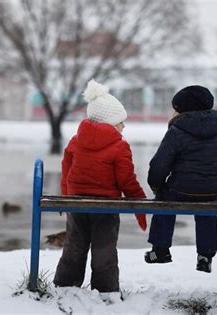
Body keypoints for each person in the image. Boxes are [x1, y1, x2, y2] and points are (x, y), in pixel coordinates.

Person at [53, 79, 147, 293]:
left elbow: (66, 172)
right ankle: (105, 291)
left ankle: (65, 286)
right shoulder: (120, 146)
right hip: (106, 207)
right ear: (110, 123)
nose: (124, 126)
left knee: (74, 247)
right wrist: (139, 205)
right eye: (120, 121)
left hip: (77, 205)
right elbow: (126, 181)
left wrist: (66, 199)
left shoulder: (76, 141)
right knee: (104, 249)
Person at [145, 85, 217, 273]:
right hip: (213, 190)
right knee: (208, 202)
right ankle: (205, 255)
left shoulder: (176, 132)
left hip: (179, 189)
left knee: (164, 200)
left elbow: (159, 165)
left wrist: (157, 186)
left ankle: (161, 250)